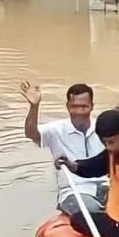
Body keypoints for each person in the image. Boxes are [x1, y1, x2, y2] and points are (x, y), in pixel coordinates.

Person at [21, 81, 107, 216]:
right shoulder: (56, 130)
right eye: (74, 107)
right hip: (75, 191)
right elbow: (31, 134)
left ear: (92, 107)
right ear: (67, 107)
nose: (79, 112)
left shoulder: (104, 127)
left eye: (84, 107)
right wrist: (34, 106)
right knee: (91, 211)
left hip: (106, 188)